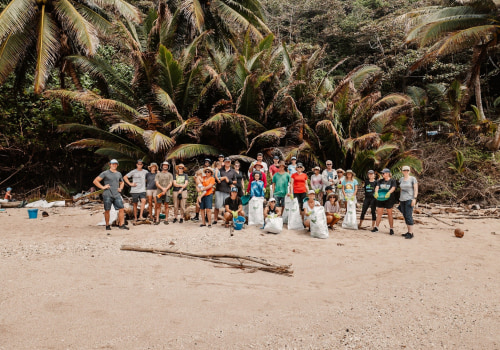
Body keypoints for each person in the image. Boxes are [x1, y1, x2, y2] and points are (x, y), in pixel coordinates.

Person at [93, 159, 128, 232]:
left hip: (116, 194)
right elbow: (95, 181)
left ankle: (122, 224)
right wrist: (103, 187)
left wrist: (120, 188)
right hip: (107, 194)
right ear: (110, 165)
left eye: (115, 164)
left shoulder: (119, 174)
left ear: (117, 165)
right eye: (113, 164)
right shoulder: (105, 173)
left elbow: (122, 182)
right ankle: (107, 225)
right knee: (107, 210)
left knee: (121, 208)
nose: (114, 165)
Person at [372, 168, 397, 235]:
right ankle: (376, 227)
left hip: (389, 199)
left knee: (390, 214)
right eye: (382, 173)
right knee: (379, 213)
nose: (383, 174)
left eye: (384, 173)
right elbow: (377, 187)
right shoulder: (380, 181)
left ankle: (391, 229)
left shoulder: (392, 181)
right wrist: (376, 192)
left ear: (388, 173)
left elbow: (393, 188)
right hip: (381, 199)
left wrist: (389, 192)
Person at [214, 157, 237, 225]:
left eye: (229, 162)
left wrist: (228, 181)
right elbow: (216, 179)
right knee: (217, 206)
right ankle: (215, 219)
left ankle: (227, 220)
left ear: (230, 163)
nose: (227, 163)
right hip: (219, 190)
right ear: (224, 162)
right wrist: (224, 178)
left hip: (228, 191)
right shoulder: (220, 169)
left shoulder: (233, 171)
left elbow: (235, 181)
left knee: (227, 207)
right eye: (226, 161)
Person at [398, 165, 419, 239]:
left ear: (409, 171)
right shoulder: (401, 179)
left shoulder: (413, 179)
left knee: (408, 215)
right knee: (405, 215)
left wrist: (414, 198)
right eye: (404, 170)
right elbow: (401, 190)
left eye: (407, 170)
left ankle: (411, 233)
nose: (406, 171)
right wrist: (400, 200)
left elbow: (415, 189)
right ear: (402, 171)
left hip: (409, 199)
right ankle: (408, 231)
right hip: (402, 199)